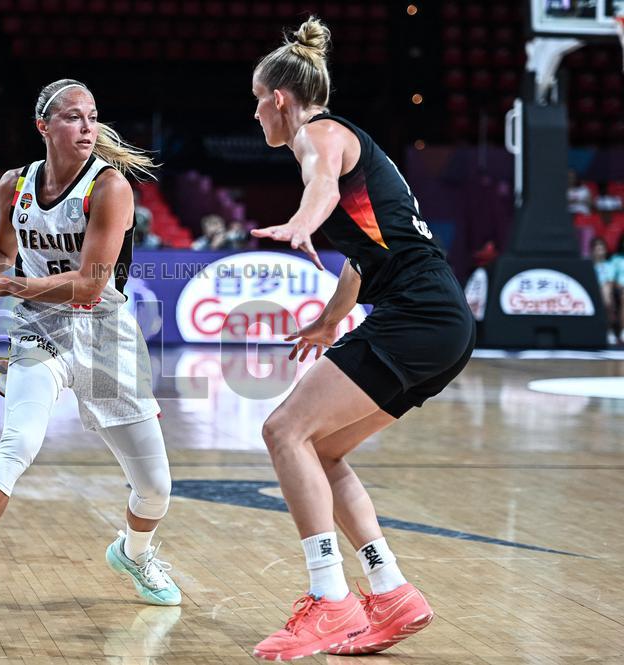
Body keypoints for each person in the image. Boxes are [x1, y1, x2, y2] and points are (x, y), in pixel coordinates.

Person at [247, 18, 474, 660]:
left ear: (280, 100)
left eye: (257, 99)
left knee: (283, 430)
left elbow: (319, 185)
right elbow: (359, 257)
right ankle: (391, 589)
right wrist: (328, 320)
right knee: (320, 451)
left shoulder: (321, 135)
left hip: (418, 315)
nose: (255, 111)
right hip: (437, 321)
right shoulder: (351, 145)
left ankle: (329, 599)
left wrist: (300, 222)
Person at [0, 78, 181, 614]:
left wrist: (5, 285)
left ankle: (133, 553)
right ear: (44, 126)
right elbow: (2, 249)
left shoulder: (109, 187)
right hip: (40, 330)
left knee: (155, 488)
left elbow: (91, 284)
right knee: (18, 442)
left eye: (91, 116)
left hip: (104, 335)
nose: (87, 127)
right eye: (72, 117)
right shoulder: (14, 185)